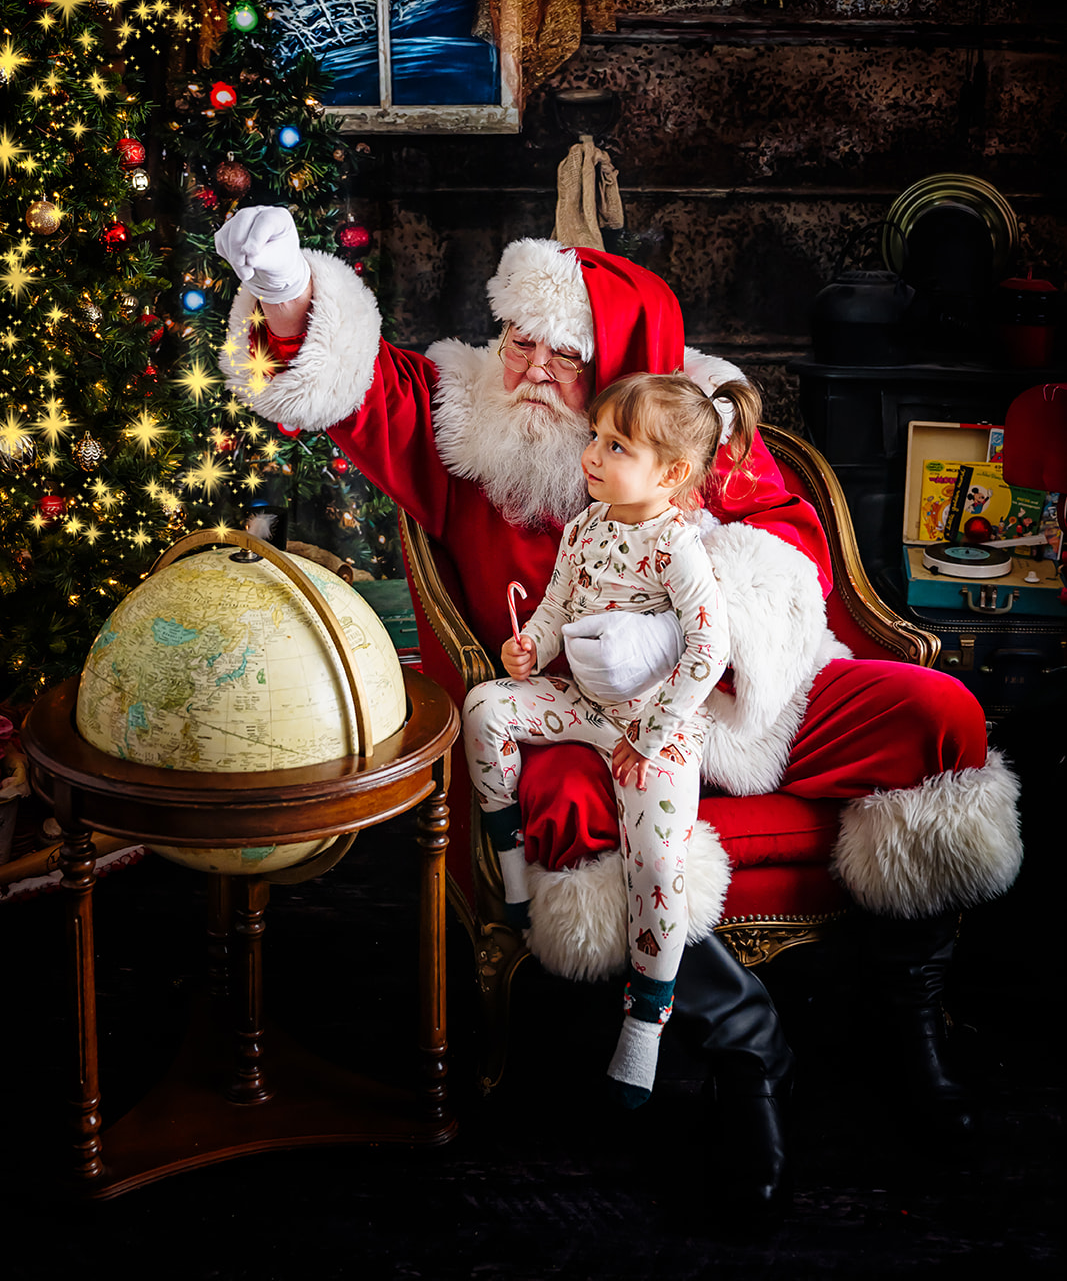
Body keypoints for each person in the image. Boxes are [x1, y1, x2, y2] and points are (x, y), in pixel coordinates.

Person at [215, 208, 1023, 1213]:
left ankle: (911, 1027)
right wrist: (288, 289)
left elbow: (790, 541)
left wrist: (698, 633)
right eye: (520, 338)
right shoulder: (457, 418)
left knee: (934, 713)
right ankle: (743, 1042)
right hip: (581, 725)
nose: (529, 369)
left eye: (564, 354)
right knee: (570, 810)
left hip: (742, 699)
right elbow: (352, 384)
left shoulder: (694, 425)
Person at [464, 371, 758, 1107]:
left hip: (657, 724)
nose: (591, 452)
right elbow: (557, 601)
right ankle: (516, 876)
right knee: (483, 708)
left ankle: (645, 1022)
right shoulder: (585, 526)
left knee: (658, 864)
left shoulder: (676, 549)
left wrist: (651, 736)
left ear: (671, 473)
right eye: (594, 436)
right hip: (583, 702)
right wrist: (528, 647)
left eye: (615, 444)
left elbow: (707, 651)